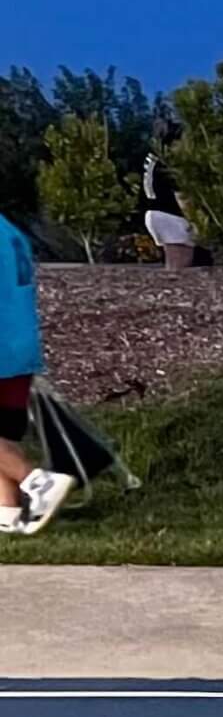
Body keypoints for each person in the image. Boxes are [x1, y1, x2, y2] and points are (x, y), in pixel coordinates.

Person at [0, 208, 68, 538]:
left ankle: (36, 481)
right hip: (19, 347)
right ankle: (7, 513)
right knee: (3, 437)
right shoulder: (10, 231)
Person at [141, 123, 197, 270]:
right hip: (171, 215)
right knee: (180, 263)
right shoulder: (170, 162)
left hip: (155, 212)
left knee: (174, 261)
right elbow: (181, 195)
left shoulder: (153, 158)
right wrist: (195, 222)